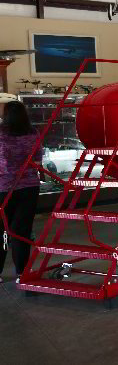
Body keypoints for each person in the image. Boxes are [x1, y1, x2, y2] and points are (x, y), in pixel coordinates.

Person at [0, 101, 42, 283]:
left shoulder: (1, 134)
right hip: (29, 187)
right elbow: (38, 161)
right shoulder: (33, 133)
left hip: (3, 187)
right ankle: (22, 271)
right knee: (22, 230)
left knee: (1, 230)